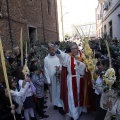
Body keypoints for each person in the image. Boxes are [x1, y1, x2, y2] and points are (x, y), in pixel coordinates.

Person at [49, 42, 86, 120]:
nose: (73, 50)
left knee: (79, 96)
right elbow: (61, 55)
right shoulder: (68, 57)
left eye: (75, 48)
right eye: (72, 49)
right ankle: (73, 114)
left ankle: (78, 112)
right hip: (71, 79)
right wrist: (56, 49)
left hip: (80, 80)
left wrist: (80, 64)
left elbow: (86, 68)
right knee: (71, 97)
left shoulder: (83, 56)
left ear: (77, 48)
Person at [44, 44, 64, 115]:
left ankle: (60, 105)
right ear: (48, 50)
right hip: (51, 80)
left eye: (53, 49)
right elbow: (45, 70)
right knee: (53, 92)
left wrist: (59, 69)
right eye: (50, 50)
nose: (52, 51)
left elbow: (62, 64)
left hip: (59, 78)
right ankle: (55, 104)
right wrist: (48, 80)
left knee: (59, 91)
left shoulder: (58, 57)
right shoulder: (46, 59)